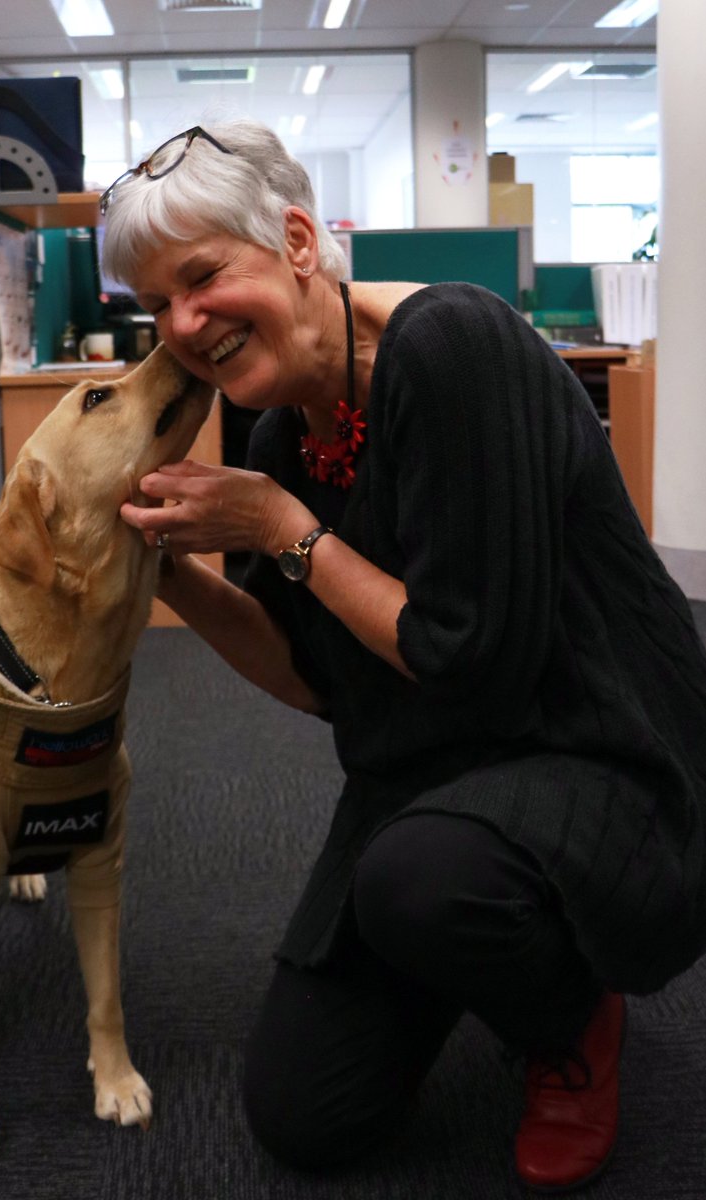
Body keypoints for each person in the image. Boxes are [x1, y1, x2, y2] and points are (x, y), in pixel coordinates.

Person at [100, 119, 706, 1191]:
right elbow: (313, 678)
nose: (182, 326)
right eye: (155, 306)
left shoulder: (451, 344)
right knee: (305, 1113)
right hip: (432, 777)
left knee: (418, 885)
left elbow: (467, 659)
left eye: (200, 279)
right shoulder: (279, 425)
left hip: (587, 746)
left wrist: (280, 526)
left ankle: (571, 1017)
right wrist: (167, 572)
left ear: (294, 240)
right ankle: (471, 931)